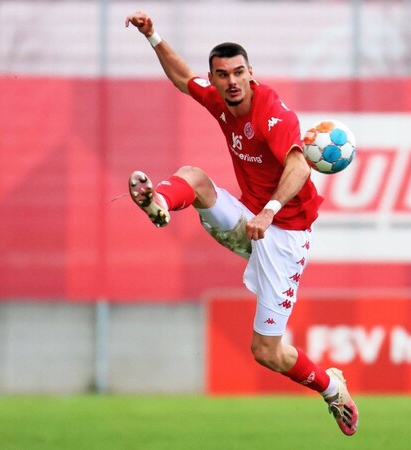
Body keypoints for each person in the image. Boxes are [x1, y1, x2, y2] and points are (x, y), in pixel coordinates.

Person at [124, 11, 358, 436]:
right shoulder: (218, 99)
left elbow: (300, 168)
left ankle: (331, 388)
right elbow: (182, 78)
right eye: (222, 75)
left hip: (285, 234)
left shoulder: (272, 113)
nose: (231, 82)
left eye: (238, 73)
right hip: (250, 218)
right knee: (193, 176)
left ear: (251, 74)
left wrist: (270, 209)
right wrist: (153, 35)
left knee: (266, 351)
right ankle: (159, 203)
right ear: (214, 79)